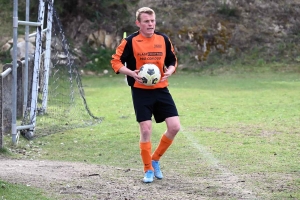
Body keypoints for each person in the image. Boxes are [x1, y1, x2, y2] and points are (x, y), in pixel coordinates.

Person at [111, 7, 180, 183]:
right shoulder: (130, 41)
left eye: (152, 21)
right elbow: (116, 62)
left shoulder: (163, 39)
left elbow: (172, 61)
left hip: (161, 89)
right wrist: (132, 73)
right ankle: (147, 168)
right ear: (138, 23)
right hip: (141, 91)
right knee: (146, 128)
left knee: (174, 127)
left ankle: (155, 159)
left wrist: (170, 71)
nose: (150, 24)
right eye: (146, 21)